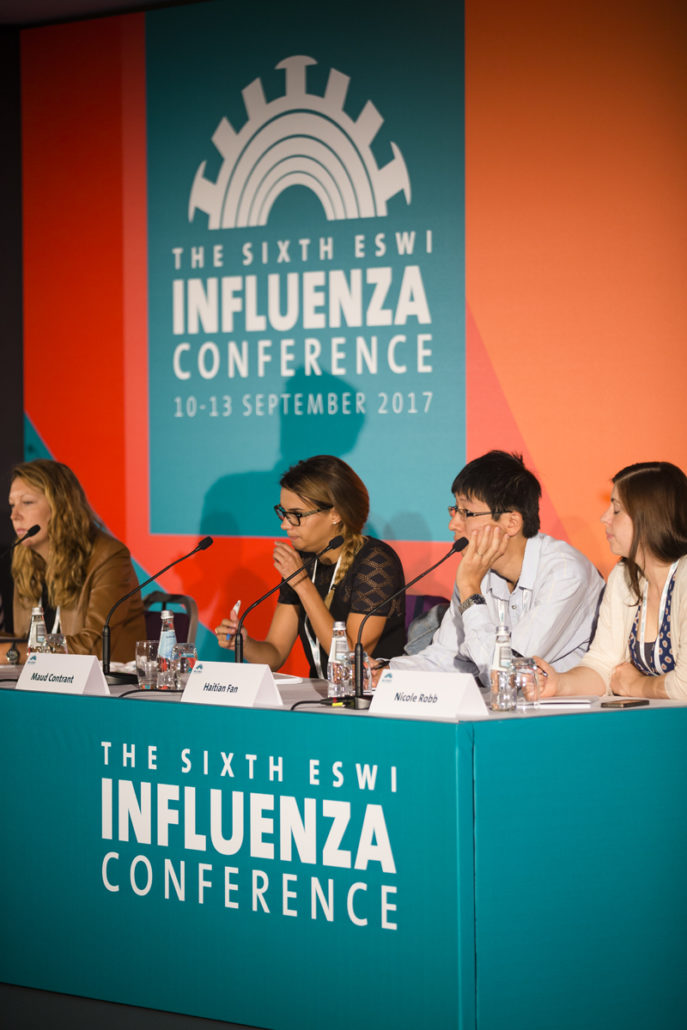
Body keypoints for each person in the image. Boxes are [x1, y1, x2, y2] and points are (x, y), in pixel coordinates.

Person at [384, 450, 604, 686]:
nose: (452, 524)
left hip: (566, 707)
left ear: (512, 523)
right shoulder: (477, 571)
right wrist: (384, 672)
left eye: (466, 513)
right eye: (454, 510)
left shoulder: (565, 574)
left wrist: (470, 590)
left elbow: (506, 674)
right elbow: (446, 659)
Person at [215, 455, 405, 676]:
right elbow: (275, 655)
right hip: (320, 693)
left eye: (296, 515)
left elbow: (349, 661)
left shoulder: (376, 562)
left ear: (335, 514)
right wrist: (244, 644)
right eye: (284, 513)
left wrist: (302, 584)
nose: (285, 525)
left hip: (371, 693)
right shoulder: (305, 560)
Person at [534, 461, 687, 700]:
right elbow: (603, 665)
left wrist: (635, 685)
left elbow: (684, 685)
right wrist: (559, 683)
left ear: (650, 516)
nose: (604, 518)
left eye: (616, 510)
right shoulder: (624, 575)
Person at [1, 459, 145, 663]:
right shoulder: (25, 559)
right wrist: (11, 648)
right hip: (43, 676)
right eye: (12, 505)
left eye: (27, 502)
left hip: (100, 680)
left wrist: (14, 653)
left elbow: (94, 646)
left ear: (60, 505)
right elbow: (24, 639)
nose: (14, 515)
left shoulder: (108, 557)